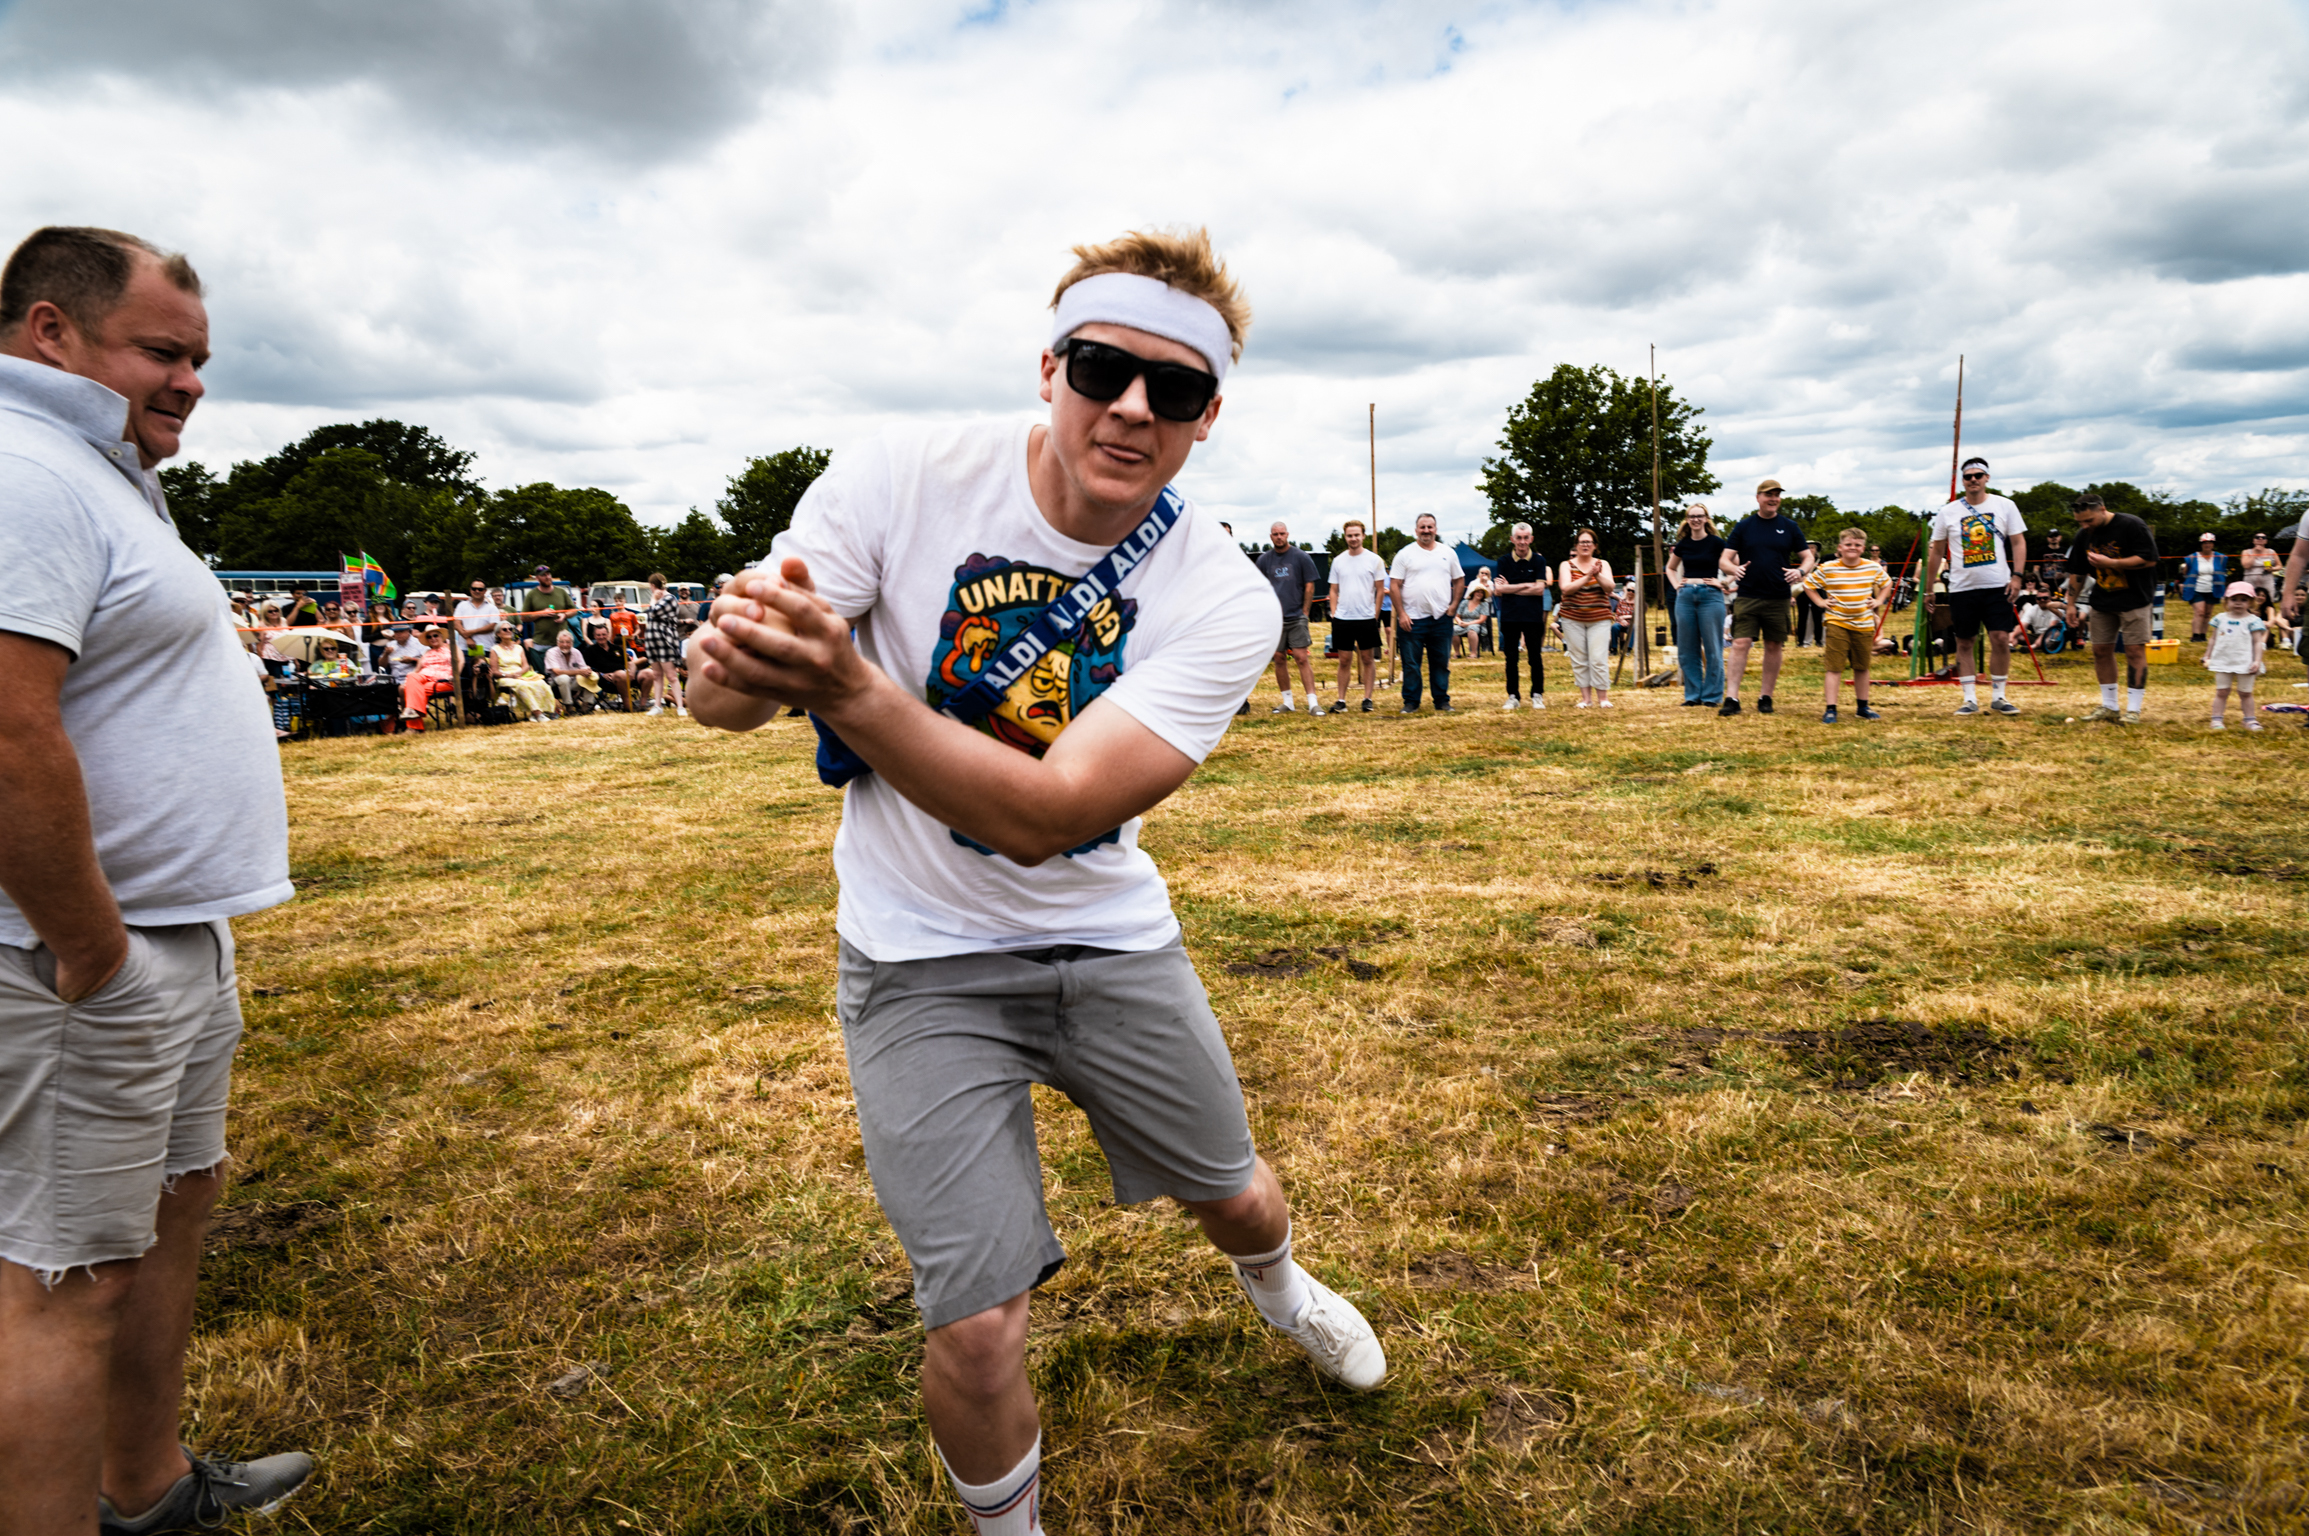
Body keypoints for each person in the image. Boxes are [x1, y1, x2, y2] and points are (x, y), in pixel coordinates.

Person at [687, 227, 1384, 1536]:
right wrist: (732, 661)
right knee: (978, 1323)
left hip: (1104, 940)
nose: (1129, 408)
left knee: (1234, 1193)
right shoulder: (902, 477)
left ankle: (1281, 1291)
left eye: (1170, 390)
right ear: (1049, 366)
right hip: (915, 960)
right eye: (1101, 368)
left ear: (1207, 417)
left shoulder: (1222, 596)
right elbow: (717, 705)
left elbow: (1049, 816)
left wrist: (844, 683)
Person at [0, 224, 311, 1535]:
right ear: (51, 333)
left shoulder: (98, 469)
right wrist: (92, 948)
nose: (189, 381)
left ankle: (147, 1491)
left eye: (200, 358)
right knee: (64, 1280)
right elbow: (9, 726)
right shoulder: (23, 469)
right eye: (161, 352)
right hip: (81, 961)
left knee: (167, 1224)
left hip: (170, 942)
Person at [1924, 456, 2028, 716]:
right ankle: (1969, 698)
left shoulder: (2005, 506)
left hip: (1998, 585)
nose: (1973, 480)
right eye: (1968, 476)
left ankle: (1999, 696)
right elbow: (1936, 551)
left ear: (1987, 478)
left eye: (1977, 475)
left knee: (2001, 638)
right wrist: (1928, 588)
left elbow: (2018, 542)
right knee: (1965, 641)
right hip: (1962, 588)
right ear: (1963, 481)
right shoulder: (1949, 511)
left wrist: (2017, 576)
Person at [1717, 478, 1813, 716]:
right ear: (1758, 498)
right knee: (1740, 643)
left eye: (1777, 495)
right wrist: (1733, 570)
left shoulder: (1789, 526)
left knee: (1773, 644)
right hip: (1748, 595)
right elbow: (1724, 559)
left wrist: (1800, 571)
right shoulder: (1744, 526)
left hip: (1778, 596)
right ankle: (1732, 698)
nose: (1773, 499)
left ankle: (1765, 697)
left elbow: (1808, 557)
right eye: (1769, 495)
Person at [2063, 492, 2161, 724]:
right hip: (2102, 600)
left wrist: (2113, 563)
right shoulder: (2083, 535)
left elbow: (2150, 559)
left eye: (2089, 520)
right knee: (2100, 651)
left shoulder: (2132, 525)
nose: (2085, 526)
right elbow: (2078, 572)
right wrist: (2070, 604)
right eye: (2080, 522)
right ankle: (2109, 706)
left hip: (2135, 598)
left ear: (2102, 509)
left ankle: (2134, 710)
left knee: (2134, 651)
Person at [1796, 528, 1891, 723]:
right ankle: (1831, 709)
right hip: (1837, 622)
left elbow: (1887, 583)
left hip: (1863, 624)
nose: (1852, 548)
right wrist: (1821, 603)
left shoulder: (1871, 567)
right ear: (1840, 547)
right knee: (1834, 667)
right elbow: (1808, 585)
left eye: (1857, 545)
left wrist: (1879, 601)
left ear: (1863, 548)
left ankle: (1862, 706)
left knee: (1862, 666)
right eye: (1848, 544)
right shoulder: (1828, 568)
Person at [1390, 512, 1461, 713]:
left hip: (1441, 618)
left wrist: (1454, 606)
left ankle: (1442, 701)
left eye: (1430, 527)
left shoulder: (1448, 553)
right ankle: (1411, 702)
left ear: (1436, 530)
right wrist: (1401, 614)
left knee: (1440, 663)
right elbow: (1394, 585)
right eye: (1422, 527)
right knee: (1411, 664)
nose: (1426, 531)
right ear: (1416, 530)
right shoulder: (1405, 554)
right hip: (1412, 619)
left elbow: (1459, 580)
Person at [1254, 522, 1321, 716]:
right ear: (1271, 537)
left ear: (1287, 534)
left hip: (1296, 616)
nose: (1279, 537)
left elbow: (1310, 585)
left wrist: (1305, 611)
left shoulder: (1301, 557)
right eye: (1275, 534)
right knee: (1279, 658)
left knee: (1301, 657)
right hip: (1274, 619)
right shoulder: (1264, 560)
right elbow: (1259, 587)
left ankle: (1313, 702)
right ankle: (1288, 701)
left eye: (1282, 533)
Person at [1667, 503, 1727, 706]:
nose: (1695, 520)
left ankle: (1711, 696)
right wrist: (1677, 586)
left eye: (1699, 516)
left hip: (1710, 596)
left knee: (1713, 648)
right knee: (1686, 648)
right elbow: (1670, 568)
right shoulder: (1683, 544)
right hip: (1685, 597)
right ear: (1687, 520)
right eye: (1691, 516)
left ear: (1706, 519)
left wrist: (1724, 582)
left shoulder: (1717, 543)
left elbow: (1736, 565)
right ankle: (1693, 696)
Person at [1324, 519, 1386, 713]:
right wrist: (1334, 613)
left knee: (1368, 659)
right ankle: (1341, 700)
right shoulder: (1338, 561)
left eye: (1357, 535)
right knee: (1344, 660)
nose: (1353, 538)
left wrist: (1375, 615)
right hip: (1343, 618)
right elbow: (1333, 589)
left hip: (1366, 618)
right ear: (1345, 537)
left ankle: (1367, 698)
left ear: (1363, 536)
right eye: (1350, 535)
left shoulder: (1374, 560)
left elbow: (1379, 590)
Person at [1554, 528, 1616, 708]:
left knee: (1598, 658)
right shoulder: (1566, 565)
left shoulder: (1603, 564)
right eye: (1582, 542)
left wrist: (1596, 574)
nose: (1585, 545)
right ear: (1576, 545)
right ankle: (1586, 699)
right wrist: (1588, 576)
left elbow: (1609, 588)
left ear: (1595, 546)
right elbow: (1566, 588)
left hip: (1599, 618)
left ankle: (1603, 698)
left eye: (1589, 542)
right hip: (1572, 618)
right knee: (1579, 658)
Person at [1492, 522, 1549, 711]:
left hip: (1533, 617)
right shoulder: (1503, 561)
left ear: (1531, 539)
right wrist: (1527, 586)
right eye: (1519, 538)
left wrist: (1511, 588)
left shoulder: (1539, 561)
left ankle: (1537, 695)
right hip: (1510, 616)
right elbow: (1498, 590)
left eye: (1526, 538)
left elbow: (1540, 590)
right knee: (1511, 658)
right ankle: (1513, 696)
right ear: (1512, 539)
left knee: (1535, 657)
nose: (1522, 542)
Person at [2202, 582, 2267, 730]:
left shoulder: (2253, 621)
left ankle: (2249, 719)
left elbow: (2257, 642)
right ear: (2226, 601)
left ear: (2250, 602)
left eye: (2243, 600)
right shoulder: (2220, 619)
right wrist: (2207, 655)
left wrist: (2257, 660)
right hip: (2223, 661)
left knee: (2245, 692)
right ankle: (2217, 719)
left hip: (2246, 662)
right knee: (2222, 691)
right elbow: (2213, 639)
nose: (2238, 603)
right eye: (2234, 599)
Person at [639, 572, 687, 717]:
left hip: (664, 640)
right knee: (657, 674)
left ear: (653, 586)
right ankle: (657, 705)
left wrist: (653, 599)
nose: (651, 590)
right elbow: (647, 614)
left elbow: (653, 612)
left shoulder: (670, 599)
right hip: (652, 640)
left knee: (671, 675)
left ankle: (680, 707)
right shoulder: (660, 600)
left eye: (651, 587)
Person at [487, 622, 557, 721]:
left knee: (541, 683)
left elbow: (525, 666)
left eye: (510, 629)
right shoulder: (494, 649)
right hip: (505, 677)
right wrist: (509, 675)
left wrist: (519, 673)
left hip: (521, 675)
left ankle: (547, 711)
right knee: (522, 685)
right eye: (504, 629)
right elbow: (494, 671)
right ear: (498, 634)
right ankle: (537, 713)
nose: (508, 631)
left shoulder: (519, 648)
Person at [398, 626, 458, 726]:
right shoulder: (427, 652)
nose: (433, 638)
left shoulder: (452, 648)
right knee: (411, 676)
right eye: (429, 637)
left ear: (441, 636)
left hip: (443, 680)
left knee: (413, 691)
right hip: (424, 678)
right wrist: (408, 682)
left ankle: (413, 727)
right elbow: (417, 669)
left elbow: (460, 662)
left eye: (435, 635)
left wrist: (455, 676)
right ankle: (410, 711)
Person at [2181, 533, 2229, 641]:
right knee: (2200, 612)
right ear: (2201, 544)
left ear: (2213, 544)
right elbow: (2185, 573)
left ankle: (2203, 635)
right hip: (2196, 589)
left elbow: (2222, 572)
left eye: (2210, 543)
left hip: (2213, 589)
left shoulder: (2220, 557)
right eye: (2205, 543)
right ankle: (2195, 635)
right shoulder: (2192, 558)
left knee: (2207, 613)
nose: (2207, 545)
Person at [519, 564, 579, 648]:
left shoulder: (561, 592)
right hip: (541, 643)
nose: (547, 577)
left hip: (562, 642)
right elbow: (523, 617)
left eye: (548, 574)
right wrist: (541, 613)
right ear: (537, 578)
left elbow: (574, 610)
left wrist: (564, 615)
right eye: (543, 575)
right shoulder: (531, 595)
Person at [543, 629, 601, 710]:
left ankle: (586, 706)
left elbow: (583, 669)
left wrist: (587, 670)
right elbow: (557, 672)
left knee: (591, 675)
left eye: (568, 642)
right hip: (555, 683)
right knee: (564, 678)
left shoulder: (576, 652)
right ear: (557, 643)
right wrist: (579, 671)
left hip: (574, 683)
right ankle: (569, 707)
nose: (565, 645)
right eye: (562, 642)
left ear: (572, 643)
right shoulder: (551, 652)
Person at [1452, 568, 1492, 660]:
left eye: (1482, 592)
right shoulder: (1464, 602)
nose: (1479, 594)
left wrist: (1468, 624)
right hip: (1463, 624)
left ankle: (1473, 653)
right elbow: (1457, 616)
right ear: (1473, 593)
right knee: (1453, 629)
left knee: (1472, 630)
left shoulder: (1484, 604)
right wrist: (1459, 622)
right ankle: (1457, 653)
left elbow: (1482, 619)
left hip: (1478, 625)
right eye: (1478, 591)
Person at [452, 579, 499, 656]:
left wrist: (472, 632)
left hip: (486, 648)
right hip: (464, 648)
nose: (477, 591)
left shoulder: (492, 608)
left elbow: (493, 626)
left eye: (480, 589)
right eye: (474, 589)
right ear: (470, 590)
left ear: (485, 591)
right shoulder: (462, 605)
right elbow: (456, 623)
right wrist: (468, 638)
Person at [1793, 540, 1826, 647]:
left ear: (1816, 550)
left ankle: (1819, 640)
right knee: (1802, 616)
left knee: (1818, 617)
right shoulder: (1799, 562)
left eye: (1812, 547)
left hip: (1818, 591)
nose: (1810, 549)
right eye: (1808, 547)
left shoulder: (1822, 563)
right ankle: (1801, 641)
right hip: (1802, 591)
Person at [2239, 532, 2281, 615]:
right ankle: (2247, 616)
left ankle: (2267, 617)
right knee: (2249, 598)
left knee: (2268, 599)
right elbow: (2246, 566)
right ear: (2253, 541)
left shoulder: (2271, 551)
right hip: (2250, 579)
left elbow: (2279, 565)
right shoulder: (2246, 552)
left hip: (2267, 578)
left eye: (2263, 537)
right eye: (2257, 537)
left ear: (2266, 541)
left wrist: (2272, 569)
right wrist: (2255, 554)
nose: (2260, 539)